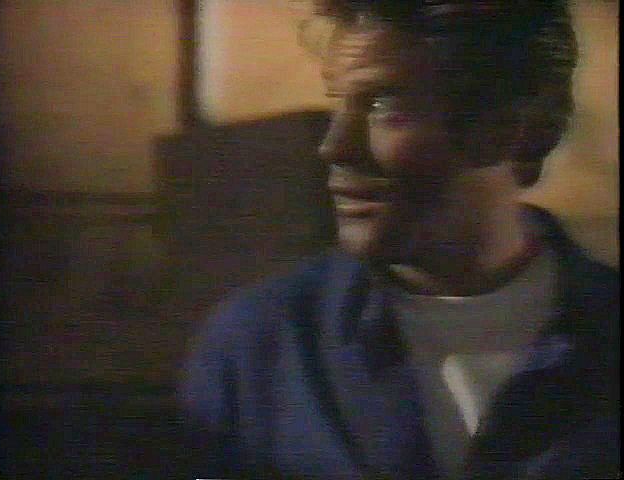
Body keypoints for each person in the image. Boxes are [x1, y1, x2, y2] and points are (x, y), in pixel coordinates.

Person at [180, 1, 619, 478]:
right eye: (340, 102)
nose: (334, 146)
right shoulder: (262, 345)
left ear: (510, 130)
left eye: (384, 106)